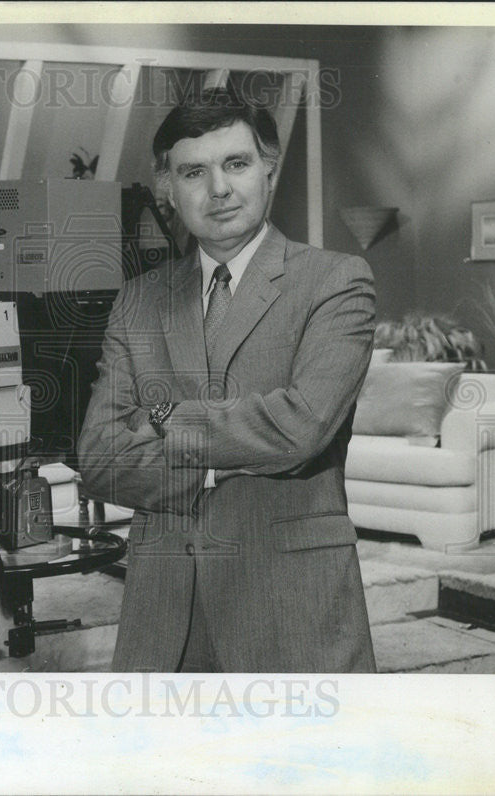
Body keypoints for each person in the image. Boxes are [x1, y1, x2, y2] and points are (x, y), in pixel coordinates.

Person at [77, 88, 377, 673]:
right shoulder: (139, 300)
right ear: (167, 187)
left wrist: (161, 419)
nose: (218, 189)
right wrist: (224, 456)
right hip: (164, 618)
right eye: (193, 171)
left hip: (291, 608)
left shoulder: (335, 282)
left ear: (268, 168)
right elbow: (98, 457)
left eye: (235, 164)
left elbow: (299, 428)